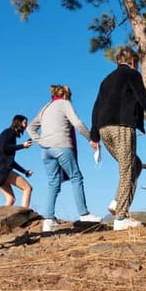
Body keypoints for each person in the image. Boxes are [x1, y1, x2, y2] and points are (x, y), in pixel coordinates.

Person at [90, 47, 146, 231]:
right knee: (127, 170)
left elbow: (96, 106)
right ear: (132, 61)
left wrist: (94, 136)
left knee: (135, 165)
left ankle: (118, 202)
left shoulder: (106, 80)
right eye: (137, 62)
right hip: (121, 126)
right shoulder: (132, 74)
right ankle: (120, 218)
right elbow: (143, 98)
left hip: (104, 129)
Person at [28, 85, 101, 232]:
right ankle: (84, 214)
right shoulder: (64, 103)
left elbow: (30, 127)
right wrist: (91, 138)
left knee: (53, 183)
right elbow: (77, 123)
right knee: (76, 177)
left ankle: (48, 220)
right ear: (66, 95)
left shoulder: (46, 107)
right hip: (61, 146)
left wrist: (40, 141)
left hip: (45, 150)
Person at [0, 115, 34, 208]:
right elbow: (5, 148)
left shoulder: (9, 134)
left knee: (10, 199)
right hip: (1, 170)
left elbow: (10, 161)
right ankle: (24, 214)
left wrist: (24, 171)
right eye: (25, 123)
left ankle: (0, 216)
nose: (26, 125)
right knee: (27, 188)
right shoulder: (10, 132)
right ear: (18, 122)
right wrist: (22, 146)